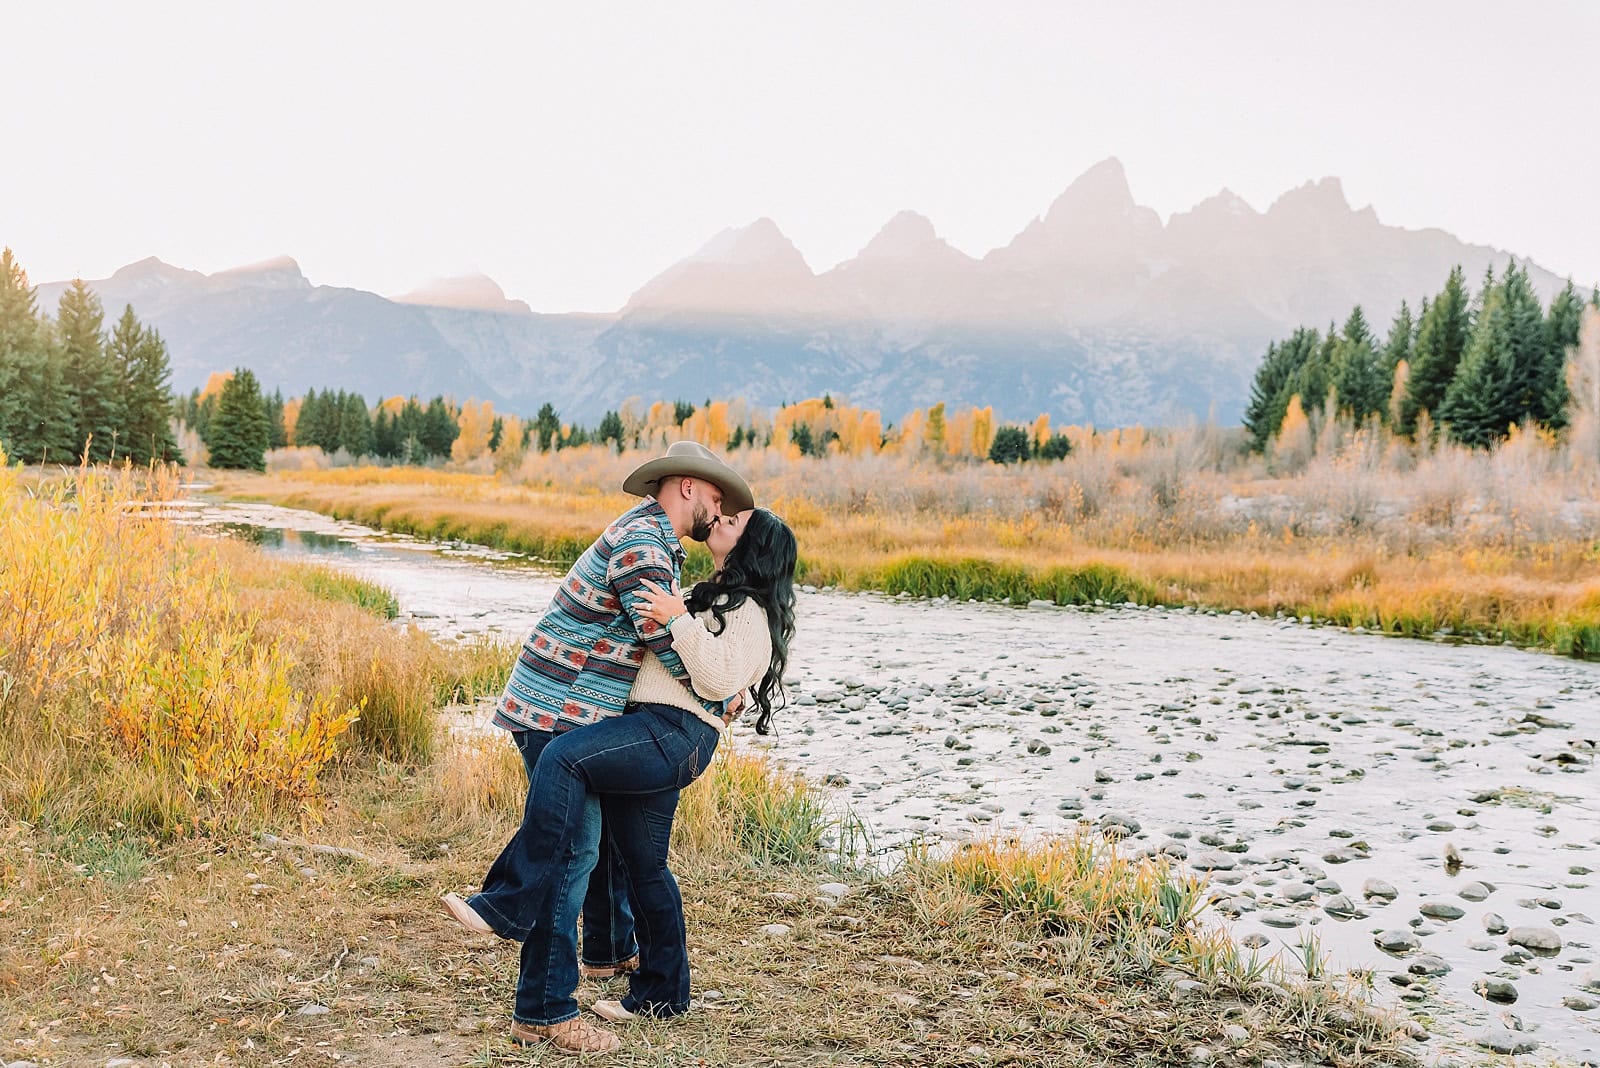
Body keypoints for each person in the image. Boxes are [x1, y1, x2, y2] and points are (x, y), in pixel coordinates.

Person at [441, 440, 752, 1055]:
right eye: (716, 499)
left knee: (592, 841)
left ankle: (594, 951)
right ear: (688, 486)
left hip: (576, 709)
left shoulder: (658, 543)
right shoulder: (643, 545)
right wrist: (719, 695)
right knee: (572, 853)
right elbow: (663, 639)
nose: (717, 514)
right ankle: (545, 1010)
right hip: (558, 708)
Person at [588, 505, 796, 1026]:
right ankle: (650, 981)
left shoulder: (750, 612)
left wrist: (677, 618)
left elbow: (719, 676)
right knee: (640, 860)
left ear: (753, 548)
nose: (721, 520)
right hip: (651, 726)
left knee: (639, 856)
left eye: (736, 523)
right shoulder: (713, 596)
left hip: (670, 733)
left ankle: (659, 990)